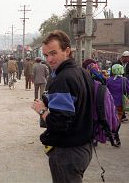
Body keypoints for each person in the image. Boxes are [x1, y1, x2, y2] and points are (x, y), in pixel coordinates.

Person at [31, 30, 93, 183]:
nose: (49, 59)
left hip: (68, 151)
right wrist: (48, 99)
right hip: (84, 147)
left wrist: (42, 110)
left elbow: (58, 123)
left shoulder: (63, 78)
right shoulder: (81, 72)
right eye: (46, 55)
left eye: (53, 53)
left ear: (67, 51)